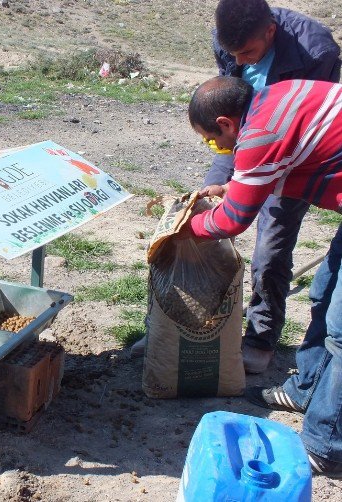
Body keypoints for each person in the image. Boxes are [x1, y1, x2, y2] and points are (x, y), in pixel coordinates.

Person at [131, 0, 341, 372]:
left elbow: (301, 144)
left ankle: (261, 339)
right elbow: (228, 108)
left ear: (270, 33)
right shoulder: (229, 44)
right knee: (324, 290)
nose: (241, 63)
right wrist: (220, 182)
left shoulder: (317, 51)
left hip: (292, 146)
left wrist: (184, 230)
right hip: (258, 133)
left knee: (271, 247)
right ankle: (177, 328)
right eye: (233, 55)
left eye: (248, 54)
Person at [187, 75, 342, 477]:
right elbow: (289, 160)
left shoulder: (258, 134)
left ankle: (326, 445)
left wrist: (188, 228)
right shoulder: (272, 99)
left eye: (212, 140)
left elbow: (234, 220)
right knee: (324, 294)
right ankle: (306, 389)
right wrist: (235, 186)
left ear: (226, 122)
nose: (218, 149)